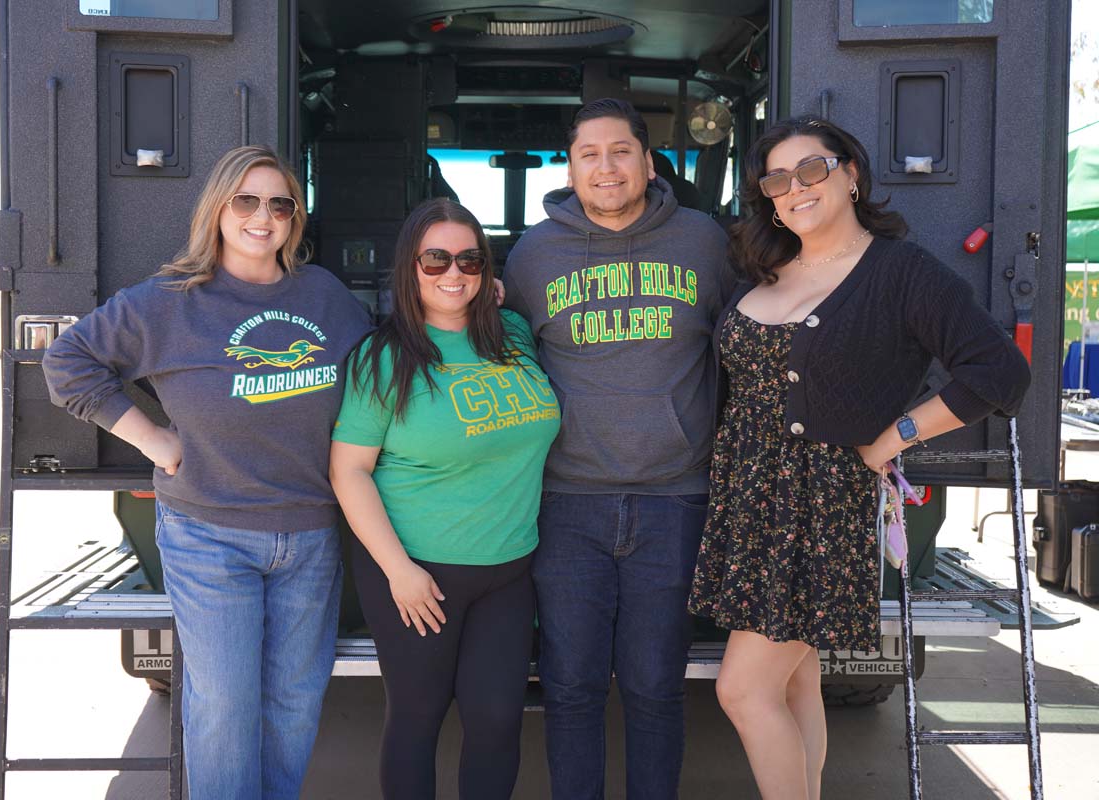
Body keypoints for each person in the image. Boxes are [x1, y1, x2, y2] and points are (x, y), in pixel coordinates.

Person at [688, 115, 1031, 800]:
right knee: (796, 682)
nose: (795, 188)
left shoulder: (901, 272)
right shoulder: (766, 267)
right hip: (750, 505)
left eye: (811, 169)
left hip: (820, 510)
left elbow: (1000, 373)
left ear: (850, 174)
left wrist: (895, 435)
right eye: (777, 180)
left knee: (743, 690)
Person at [42, 145, 372, 800]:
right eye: (245, 200)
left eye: (279, 204)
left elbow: (380, 374)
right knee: (223, 704)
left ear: (294, 218)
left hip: (310, 534)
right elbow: (67, 362)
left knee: (296, 699)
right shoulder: (169, 302)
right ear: (217, 208)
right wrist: (153, 439)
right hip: (209, 534)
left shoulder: (325, 296)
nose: (262, 217)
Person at [501, 97, 735, 799]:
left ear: (648, 161)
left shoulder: (704, 242)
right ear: (571, 169)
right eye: (589, 155)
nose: (606, 167)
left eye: (621, 151)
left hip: (675, 498)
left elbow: (746, 345)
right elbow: (508, 363)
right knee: (570, 686)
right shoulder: (534, 254)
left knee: (655, 685)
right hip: (566, 502)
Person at [329, 198, 561, 799]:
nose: (453, 273)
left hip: (508, 570)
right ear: (409, 267)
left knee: (497, 721)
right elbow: (349, 471)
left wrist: (490, 295)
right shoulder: (382, 358)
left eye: (469, 260)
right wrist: (398, 571)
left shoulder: (513, 333)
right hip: (417, 575)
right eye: (435, 260)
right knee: (417, 718)